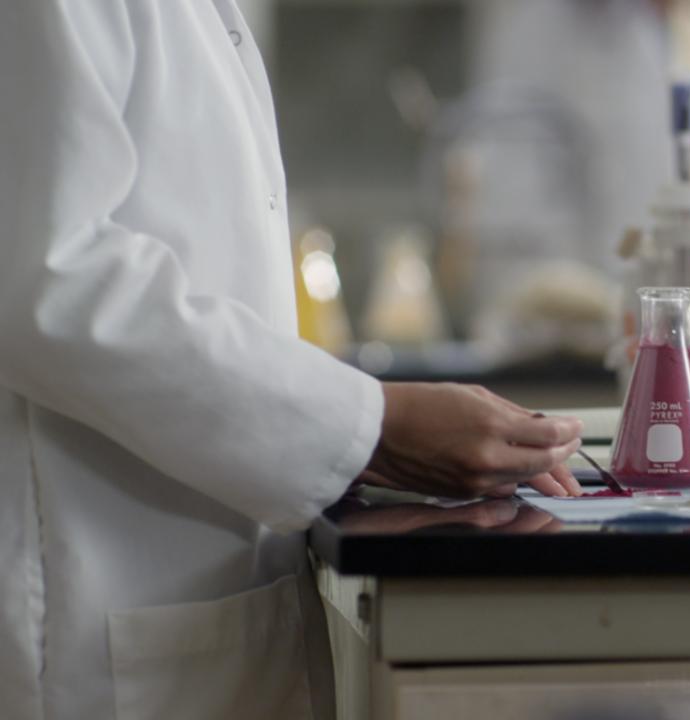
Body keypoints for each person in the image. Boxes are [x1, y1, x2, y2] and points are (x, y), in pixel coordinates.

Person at [0, 3, 583, 719]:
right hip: (93, 614)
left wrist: (359, 429)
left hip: (194, 597)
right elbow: (46, 278)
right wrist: (372, 427)